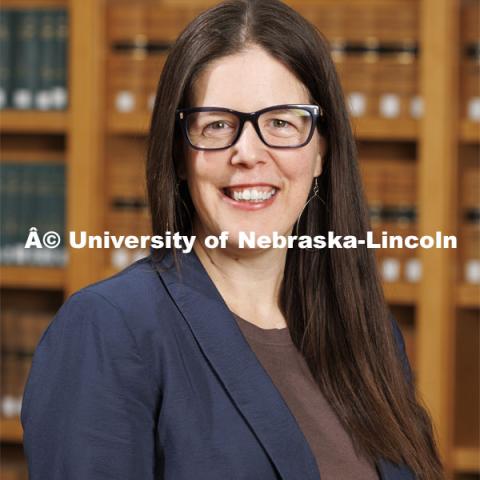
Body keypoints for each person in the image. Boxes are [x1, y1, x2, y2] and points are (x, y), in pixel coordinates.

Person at [21, 0, 443, 479]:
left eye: (282, 123)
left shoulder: (368, 332)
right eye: (218, 125)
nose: (248, 153)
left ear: (322, 150)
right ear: (180, 154)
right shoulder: (109, 329)